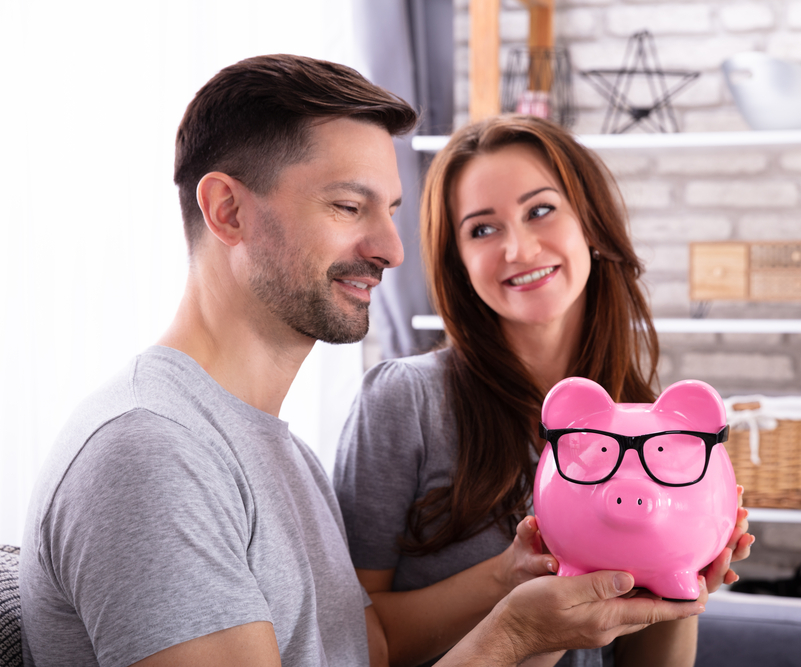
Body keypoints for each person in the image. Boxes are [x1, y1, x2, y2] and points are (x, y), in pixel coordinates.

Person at [19, 55, 711, 667]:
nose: (392, 248)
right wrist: (511, 635)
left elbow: (367, 648)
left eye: (391, 211)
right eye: (350, 205)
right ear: (227, 210)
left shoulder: (279, 454)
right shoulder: (149, 453)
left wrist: (513, 579)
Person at [335, 115, 754, 667]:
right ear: (458, 263)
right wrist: (511, 577)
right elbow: (347, 640)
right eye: (483, 229)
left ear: (592, 225)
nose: (520, 249)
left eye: (540, 210)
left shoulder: (644, 418)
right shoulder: (403, 402)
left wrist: (690, 579)